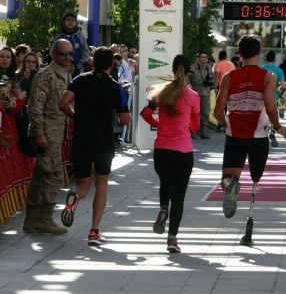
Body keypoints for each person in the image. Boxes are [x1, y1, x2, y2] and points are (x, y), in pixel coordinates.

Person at [58, 46, 131, 245]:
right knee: (101, 183)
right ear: (112, 64)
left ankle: (75, 198)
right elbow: (124, 119)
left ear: (92, 62)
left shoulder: (79, 80)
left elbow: (63, 103)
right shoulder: (115, 86)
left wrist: (77, 118)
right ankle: (94, 231)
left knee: (83, 183)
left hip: (81, 138)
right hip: (103, 141)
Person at [214, 35, 286, 219]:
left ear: (239, 53)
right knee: (255, 177)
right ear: (259, 53)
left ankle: (232, 186)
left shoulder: (229, 77)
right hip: (258, 137)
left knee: (228, 178)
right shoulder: (268, 77)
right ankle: (247, 188)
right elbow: (270, 106)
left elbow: (217, 112)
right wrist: (278, 126)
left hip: (234, 135)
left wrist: (227, 123)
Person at [140, 55, 200, 253]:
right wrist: (186, 127)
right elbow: (196, 125)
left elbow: (145, 113)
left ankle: (163, 207)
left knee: (165, 182)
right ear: (189, 71)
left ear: (173, 70)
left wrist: (160, 125)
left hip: (162, 148)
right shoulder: (192, 96)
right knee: (180, 197)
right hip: (183, 150)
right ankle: (172, 239)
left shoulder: (161, 92)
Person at [22, 39, 73, 235]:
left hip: (56, 132)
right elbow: (35, 108)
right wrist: (40, 133)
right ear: (53, 54)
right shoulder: (46, 75)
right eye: (63, 54)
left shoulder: (64, 74)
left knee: (41, 176)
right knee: (54, 175)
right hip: (46, 132)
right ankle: (44, 218)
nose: (68, 58)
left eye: (70, 54)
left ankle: (32, 220)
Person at [53, 10, 91, 75]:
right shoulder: (58, 37)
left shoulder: (81, 37)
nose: (70, 22)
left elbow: (86, 53)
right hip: (59, 70)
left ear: (76, 22)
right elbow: (53, 53)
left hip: (76, 71)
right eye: (68, 19)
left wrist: (77, 67)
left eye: (73, 20)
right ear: (63, 21)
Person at [261, 50, 286, 147]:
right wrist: (280, 94)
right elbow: (283, 86)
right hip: (273, 96)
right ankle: (272, 132)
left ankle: (262, 135)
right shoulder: (279, 70)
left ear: (265, 59)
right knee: (273, 116)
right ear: (275, 59)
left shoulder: (261, 69)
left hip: (261, 97)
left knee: (263, 116)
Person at [188, 51, 215, 139]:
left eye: (205, 57)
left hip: (206, 92)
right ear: (198, 58)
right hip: (195, 92)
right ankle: (194, 131)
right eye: (202, 57)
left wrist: (211, 83)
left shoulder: (208, 67)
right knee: (195, 113)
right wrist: (190, 88)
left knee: (205, 112)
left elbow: (212, 78)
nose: (204, 59)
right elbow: (188, 78)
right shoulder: (193, 67)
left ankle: (203, 131)